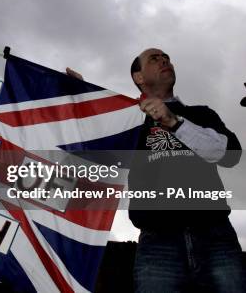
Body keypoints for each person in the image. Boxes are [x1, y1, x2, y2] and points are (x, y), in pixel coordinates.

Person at [67, 48, 243, 292]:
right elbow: (92, 145)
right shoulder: (127, 121)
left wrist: (174, 122)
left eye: (167, 58)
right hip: (158, 241)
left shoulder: (201, 114)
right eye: (154, 59)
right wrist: (81, 98)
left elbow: (229, 154)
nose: (164, 61)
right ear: (138, 78)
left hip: (215, 235)